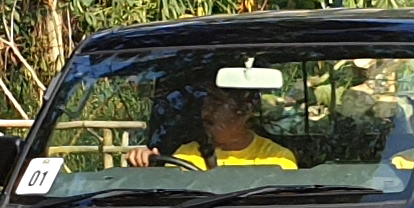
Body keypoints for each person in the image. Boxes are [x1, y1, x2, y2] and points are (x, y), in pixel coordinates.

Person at [126, 86, 297, 170]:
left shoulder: (276, 159)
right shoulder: (188, 153)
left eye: (217, 103)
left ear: (244, 112)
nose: (206, 112)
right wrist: (145, 169)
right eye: (206, 103)